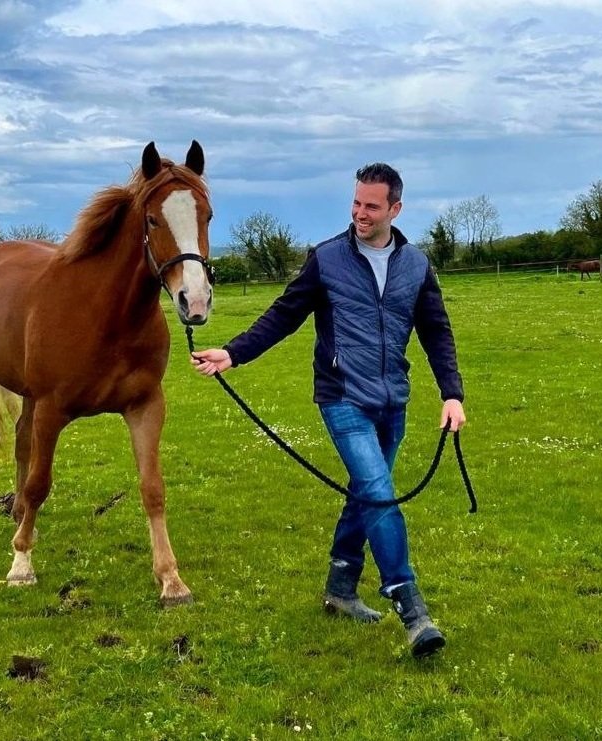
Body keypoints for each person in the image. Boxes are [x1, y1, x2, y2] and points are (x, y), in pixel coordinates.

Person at [191, 163, 466, 658]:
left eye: (372, 206)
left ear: (395, 209)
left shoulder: (416, 266)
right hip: (342, 398)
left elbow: (436, 332)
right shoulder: (328, 259)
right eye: (357, 203)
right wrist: (233, 353)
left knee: (365, 494)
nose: (360, 213)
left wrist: (451, 393)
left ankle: (340, 589)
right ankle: (412, 608)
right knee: (380, 494)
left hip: (392, 401)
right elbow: (284, 314)